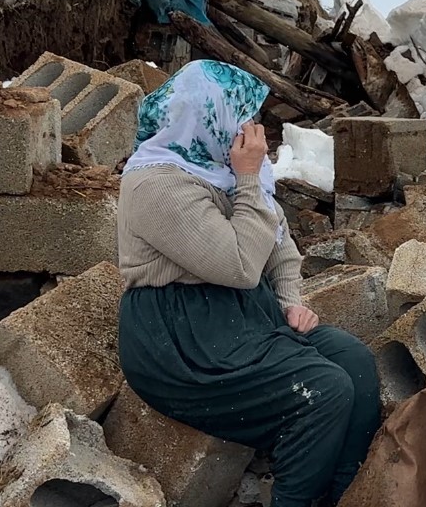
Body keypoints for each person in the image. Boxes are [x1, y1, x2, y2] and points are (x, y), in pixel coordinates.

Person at [115, 60, 380, 507]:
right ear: (209, 118)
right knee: (323, 390)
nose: (251, 130)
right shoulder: (155, 185)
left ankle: (340, 494)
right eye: (242, 116)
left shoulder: (218, 168)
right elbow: (238, 263)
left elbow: (280, 246)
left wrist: (290, 300)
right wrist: (249, 179)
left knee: (354, 363)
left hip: (243, 316)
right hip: (181, 336)